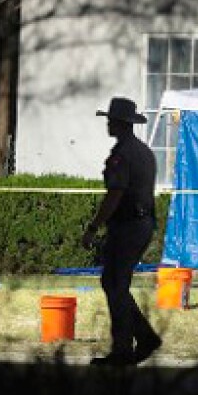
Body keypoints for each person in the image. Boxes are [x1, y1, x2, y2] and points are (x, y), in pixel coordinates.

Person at [80, 96, 162, 366]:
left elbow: (115, 194)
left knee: (115, 284)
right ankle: (144, 337)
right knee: (115, 283)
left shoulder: (123, 154)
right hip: (142, 223)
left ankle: (123, 349)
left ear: (120, 123)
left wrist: (93, 227)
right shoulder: (143, 152)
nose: (108, 124)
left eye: (111, 120)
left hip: (127, 225)